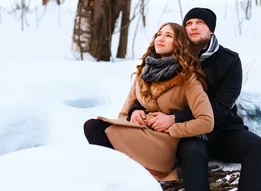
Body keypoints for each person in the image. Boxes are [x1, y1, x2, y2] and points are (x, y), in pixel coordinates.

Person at [127, 8, 261, 191]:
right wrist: (136, 109)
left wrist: (175, 117)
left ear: (211, 29)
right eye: (189, 22)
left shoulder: (229, 60)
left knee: (256, 147)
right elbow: (153, 92)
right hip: (187, 132)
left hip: (222, 129)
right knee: (193, 154)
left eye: (199, 22)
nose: (193, 26)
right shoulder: (173, 56)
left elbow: (222, 105)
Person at [83, 22, 214, 181]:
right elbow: (123, 114)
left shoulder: (187, 78)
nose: (161, 38)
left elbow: (207, 121)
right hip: (138, 133)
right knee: (93, 127)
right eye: (159, 34)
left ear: (179, 43)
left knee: (95, 128)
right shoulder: (143, 74)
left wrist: (172, 125)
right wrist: (133, 114)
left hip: (162, 144)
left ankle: (123, 178)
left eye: (168, 35)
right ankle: (119, 178)